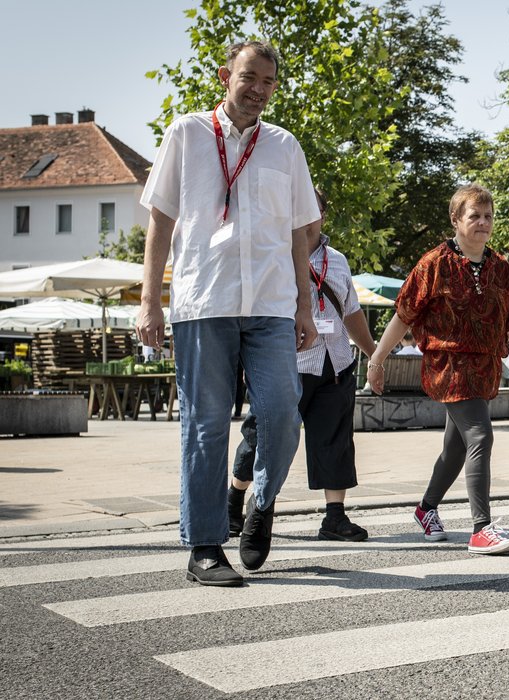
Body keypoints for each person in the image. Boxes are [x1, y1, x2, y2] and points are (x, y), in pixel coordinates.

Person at [136, 40, 320, 587]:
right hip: (203, 301)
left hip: (270, 305)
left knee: (283, 414)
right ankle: (205, 545)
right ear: (226, 76)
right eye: (249, 78)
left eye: (268, 82)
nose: (259, 90)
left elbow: (299, 235)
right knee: (205, 426)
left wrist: (304, 307)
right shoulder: (186, 134)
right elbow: (160, 223)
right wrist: (150, 300)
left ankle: (260, 502)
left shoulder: (285, 147)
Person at [368, 184, 509, 555]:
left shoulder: (501, 269)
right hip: (449, 365)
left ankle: (426, 509)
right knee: (480, 435)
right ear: (456, 219)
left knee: (456, 448)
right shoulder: (434, 264)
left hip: (485, 369)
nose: (483, 223)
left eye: (488, 216)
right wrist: (377, 360)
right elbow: (403, 315)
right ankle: (481, 528)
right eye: (474, 215)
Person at [229, 189, 378, 543]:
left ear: (323, 215)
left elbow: (352, 312)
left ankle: (335, 518)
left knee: (336, 439)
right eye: (302, 210)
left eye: (316, 211)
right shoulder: (274, 257)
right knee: (262, 437)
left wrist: (374, 353)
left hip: (335, 363)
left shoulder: (337, 260)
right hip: (286, 365)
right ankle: (234, 502)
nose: (309, 218)